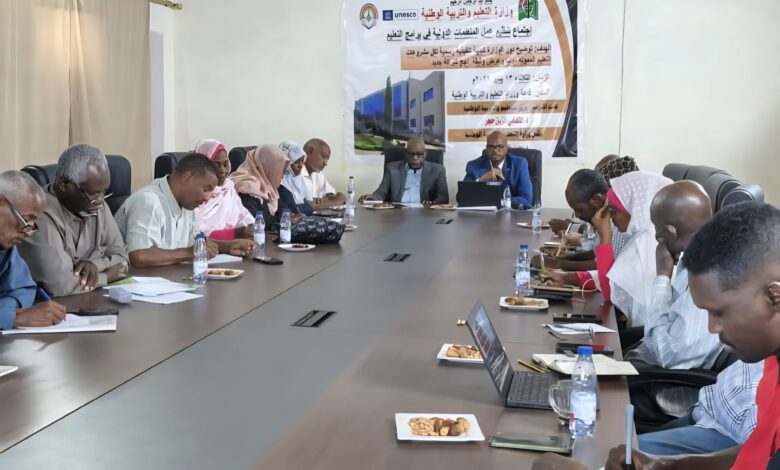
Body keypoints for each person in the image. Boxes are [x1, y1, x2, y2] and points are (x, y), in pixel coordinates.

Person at [533, 202, 780, 470]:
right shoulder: (771, 366)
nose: (711, 327)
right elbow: (759, 453)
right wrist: (665, 464)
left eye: (719, 313)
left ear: (774, 296)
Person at [625, 181, 725, 423]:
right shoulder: (693, 260)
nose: (655, 235)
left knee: (586, 394)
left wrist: (662, 277)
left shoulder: (706, 275)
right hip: (652, 372)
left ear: (669, 232)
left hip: (666, 392)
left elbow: (672, 357)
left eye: (656, 228)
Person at [543, 171, 672, 327]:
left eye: (614, 212)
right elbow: (616, 277)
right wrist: (566, 278)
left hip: (644, 334)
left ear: (636, 206)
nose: (610, 218)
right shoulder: (639, 237)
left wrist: (605, 237)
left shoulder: (647, 243)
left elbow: (610, 291)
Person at [17, 144, 129, 296]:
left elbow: (122, 258)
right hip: (51, 305)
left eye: (104, 192)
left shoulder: (97, 204)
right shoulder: (38, 215)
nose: (100, 200)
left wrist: (93, 264)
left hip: (91, 299)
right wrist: (107, 276)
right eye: (93, 194)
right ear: (63, 184)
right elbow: (58, 284)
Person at [115, 153, 256, 268]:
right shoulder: (148, 201)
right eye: (205, 189)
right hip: (136, 285)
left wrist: (228, 246)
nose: (207, 197)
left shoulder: (188, 204)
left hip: (168, 280)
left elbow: (195, 241)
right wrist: (190, 253)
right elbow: (139, 256)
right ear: (186, 177)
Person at [637, 359, 762, 455]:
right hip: (708, 408)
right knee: (630, 446)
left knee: (632, 455)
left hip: (728, 434)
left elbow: (759, 451)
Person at [0, 171, 66, 329]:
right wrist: (13, 317)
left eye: (32, 224)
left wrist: (6, 310)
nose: (28, 232)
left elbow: (23, 289)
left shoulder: (5, 246)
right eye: (25, 220)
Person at [192, 139, 255, 240]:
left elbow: (242, 215)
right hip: (207, 248)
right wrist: (232, 233)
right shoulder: (194, 194)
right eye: (216, 165)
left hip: (235, 246)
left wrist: (251, 227)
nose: (222, 170)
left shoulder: (228, 188)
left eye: (225, 164)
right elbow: (194, 232)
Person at [359, 137, 448, 205]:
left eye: (419, 154)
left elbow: (443, 197)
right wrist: (372, 198)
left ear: (425, 154)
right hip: (398, 213)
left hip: (425, 213)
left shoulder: (438, 170)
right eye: (411, 154)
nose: (415, 158)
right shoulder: (392, 168)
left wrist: (432, 203)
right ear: (406, 154)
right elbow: (381, 192)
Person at [231, 145, 302, 229]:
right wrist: (288, 219)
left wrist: (292, 217)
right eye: (280, 171)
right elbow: (257, 224)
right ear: (268, 167)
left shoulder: (268, 186)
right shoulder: (246, 188)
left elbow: (285, 211)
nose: (283, 176)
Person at [463, 130, 532, 208]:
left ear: (507, 148)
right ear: (486, 148)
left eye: (500, 146)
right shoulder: (474, 166)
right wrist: (481, 180)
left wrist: (498, 202)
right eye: (491, 146)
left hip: (511, 214)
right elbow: (462, 198)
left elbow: (526, 199)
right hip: (483, 215)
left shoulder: (519, 164)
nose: (495, 150)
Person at [300, 138, 345, 208]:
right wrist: (336, 202)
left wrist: (334, 197)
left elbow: (330, 193)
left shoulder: (318, 174)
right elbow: (305, 206)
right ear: (311, 151)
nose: (325, 163)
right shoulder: (294, 174)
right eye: (323, 157)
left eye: (327, 159)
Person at [279, 141, 314, 215]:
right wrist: (307, 207)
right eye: (296, 162)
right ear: (287, 162)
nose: (300, 166)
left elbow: (310, 204)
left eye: (302, 161)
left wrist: (308, 207)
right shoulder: (281, 181)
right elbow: (293, 210)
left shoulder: (300, 178)